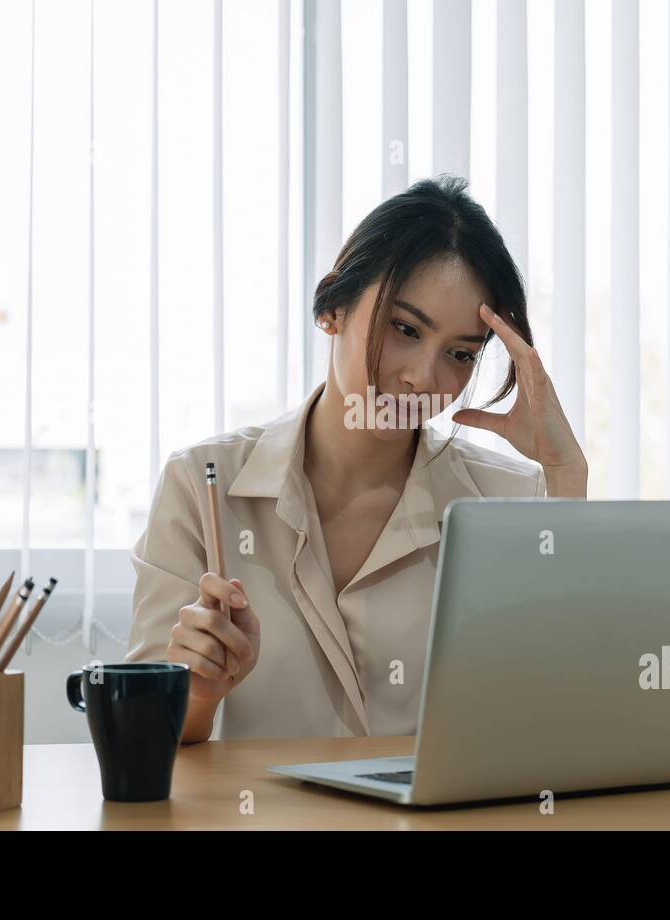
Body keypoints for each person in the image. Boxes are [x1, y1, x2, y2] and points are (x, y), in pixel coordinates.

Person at [126, 175, 588, 743]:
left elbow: (559, 721)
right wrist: (200, 692)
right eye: (404, 328)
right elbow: (151, 739)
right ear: (334, 307)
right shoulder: (200, 485)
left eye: (460, 353)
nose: (423, 378)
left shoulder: (509, 501)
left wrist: (566, 472)